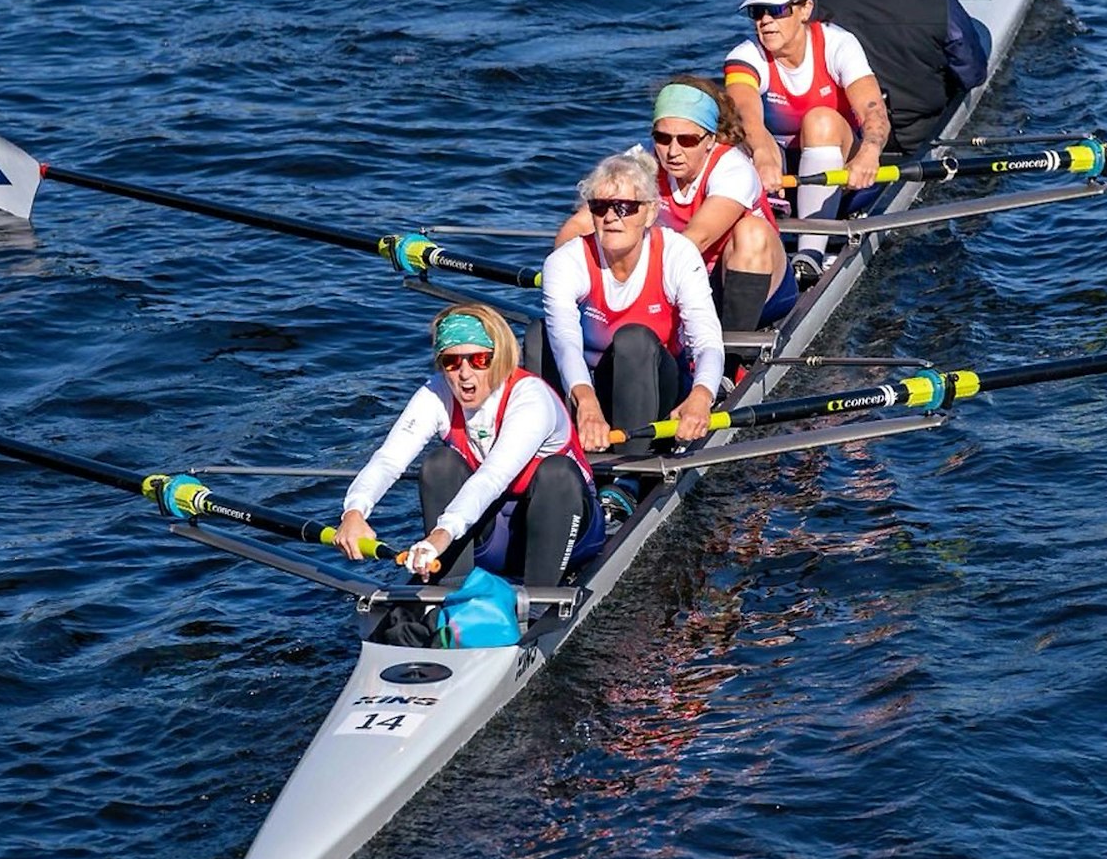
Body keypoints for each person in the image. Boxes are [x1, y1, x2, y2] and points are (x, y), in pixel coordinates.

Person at [334, 304, 601, 586]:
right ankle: (449, 590)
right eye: (452, 361)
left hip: (565, 528)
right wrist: (354, 512)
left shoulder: (531, 398)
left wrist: (441, 535)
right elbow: (389, 460)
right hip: (494, 534)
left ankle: (540, 599)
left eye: (479, 360)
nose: (464, 373)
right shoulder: (436, 393)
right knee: (440, 465)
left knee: (556, 473)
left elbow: (492, 477)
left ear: (499, 358)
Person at [556, 77, 794, 336]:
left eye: (687, 140)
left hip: (753, 287)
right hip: (682, 281)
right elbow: (581, 223)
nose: (672, 151)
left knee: (751, 232)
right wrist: (565, 269)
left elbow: (697, 239)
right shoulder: (643, 159)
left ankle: (732, 352)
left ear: (710, 139)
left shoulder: (733, 169)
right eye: (662, 138)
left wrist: (635, 281)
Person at [542, 147, 725, 461]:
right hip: (590, 389)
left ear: (650, 212)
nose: (611, 217)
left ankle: (630, 471)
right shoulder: (566, 261)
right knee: (539, 335)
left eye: (625, 207)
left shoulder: (677, 254)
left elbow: (707, 340)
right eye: (600, 207)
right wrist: (586, 402)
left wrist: (702, 395)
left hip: (659, 388)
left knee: (633, 339)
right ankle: (552, 456)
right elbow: (566, 344)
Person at [722, 0, 893, 282]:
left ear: (805, 9)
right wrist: (762, 153)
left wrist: (870, 152)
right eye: (757, 12)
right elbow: (745, 115)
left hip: (840, 167)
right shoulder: (745, 56)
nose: (765, 21)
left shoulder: (838, 45)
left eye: (777, 10)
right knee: (739, 136)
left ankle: (810, 255)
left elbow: (873, 109)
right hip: (778, 170)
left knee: (820, 121)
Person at [810, 0, 989, 161]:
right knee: (976, 37)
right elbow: (973, 74)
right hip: (919, 139)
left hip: (848, 137)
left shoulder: (819, 0)